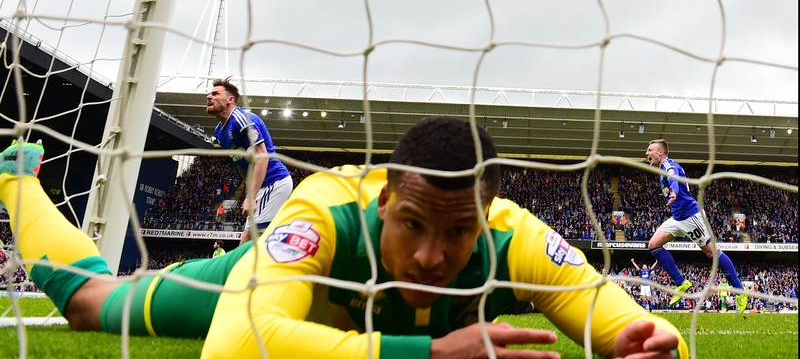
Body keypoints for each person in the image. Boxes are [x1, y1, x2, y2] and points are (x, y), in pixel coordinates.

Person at [0, 118, 689, 359]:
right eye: (413, 224)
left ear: (486, 216)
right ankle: (17, 177)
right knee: (91, 305)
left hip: (314, 315)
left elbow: (639, 330)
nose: (430, 254)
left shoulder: (517, 240)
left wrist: (663, 345)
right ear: (385, 200)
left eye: (457, 233)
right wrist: (429, 349)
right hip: (263, 282)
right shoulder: (326, 207)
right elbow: (238, 341)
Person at [644, 139, 748, 313]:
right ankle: (681, 282)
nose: (647, 154)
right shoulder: (664, 168)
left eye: (649, 150)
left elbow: (674, 179)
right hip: (678, 218)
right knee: (653, 245)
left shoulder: (669, 166)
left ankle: (739, 290)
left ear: (660, 152)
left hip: (690, 217)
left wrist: (674, 192)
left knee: (711, 252)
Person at [206, 78, 293, 244]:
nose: (209, 97)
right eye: (209, 94)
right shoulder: (219, 132)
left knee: (251, 242)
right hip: (261, 188)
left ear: (230, 100)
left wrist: (251, 197)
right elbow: (241, 165)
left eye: (215, 93)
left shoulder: (242, 119)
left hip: (274, 182)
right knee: (246, 242)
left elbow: (262, 156)